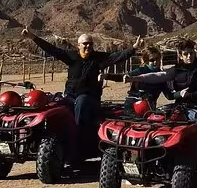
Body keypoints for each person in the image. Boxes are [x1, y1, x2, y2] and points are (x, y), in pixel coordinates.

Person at [22, 27, 142, 157]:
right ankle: (49, 142)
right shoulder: (71, 56)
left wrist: (134, 48)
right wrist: (32, 37)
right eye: (85, 43)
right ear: (79, 45)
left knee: (81, 101)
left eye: (90, 43)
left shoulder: (98, 58)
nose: (88, 46)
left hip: (89, 98)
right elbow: (52, 49)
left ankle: (77, 145)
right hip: (70, 97)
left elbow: (117, 57)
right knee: (53, 106)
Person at [125, 47, 163, 112]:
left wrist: (181, 93)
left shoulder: (163, 75)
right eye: (152, 60)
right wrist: (107, 76)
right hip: (133, 106)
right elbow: (122, 77)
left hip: (150, 108)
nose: (155, 62)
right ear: (147, 61)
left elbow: (169, 95)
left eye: (157, 59)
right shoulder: (140, 71)